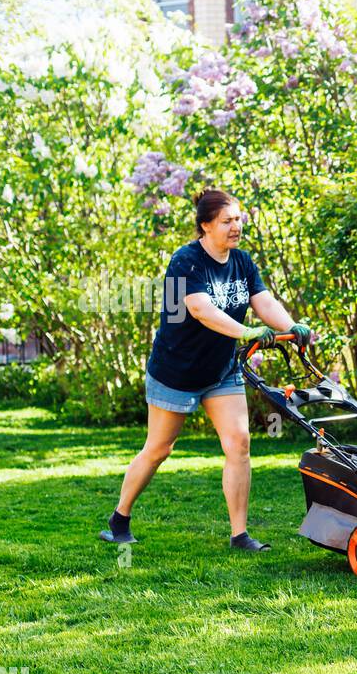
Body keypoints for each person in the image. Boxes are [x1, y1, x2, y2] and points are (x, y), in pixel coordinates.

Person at [98, 187, 307, 551]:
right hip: (176, 371)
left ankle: (239, 535)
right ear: (206, 225)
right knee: (159, 449)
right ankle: (120, 518)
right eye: (227, 220)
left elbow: (263, 301)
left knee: (239, 443)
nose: (235, 226)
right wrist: (245, 331)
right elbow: (199, 309)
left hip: (221, 370)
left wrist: (291, 326)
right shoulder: (185, 261)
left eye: (238, 219)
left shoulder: (242, 262)